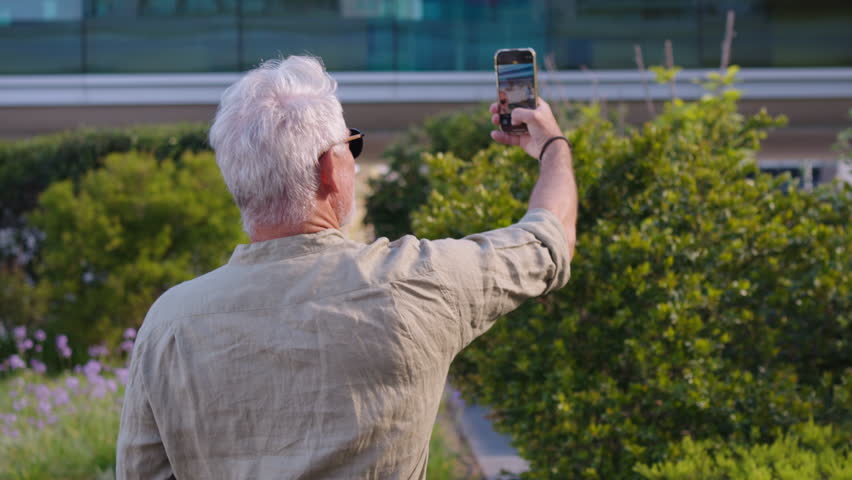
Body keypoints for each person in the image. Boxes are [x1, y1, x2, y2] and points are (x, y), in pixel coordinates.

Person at [116, 55, 577, 479]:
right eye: (351, 148)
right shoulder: (414, 283)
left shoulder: (169, 323)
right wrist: (552, 145)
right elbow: (546, 241)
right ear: (329, 169)